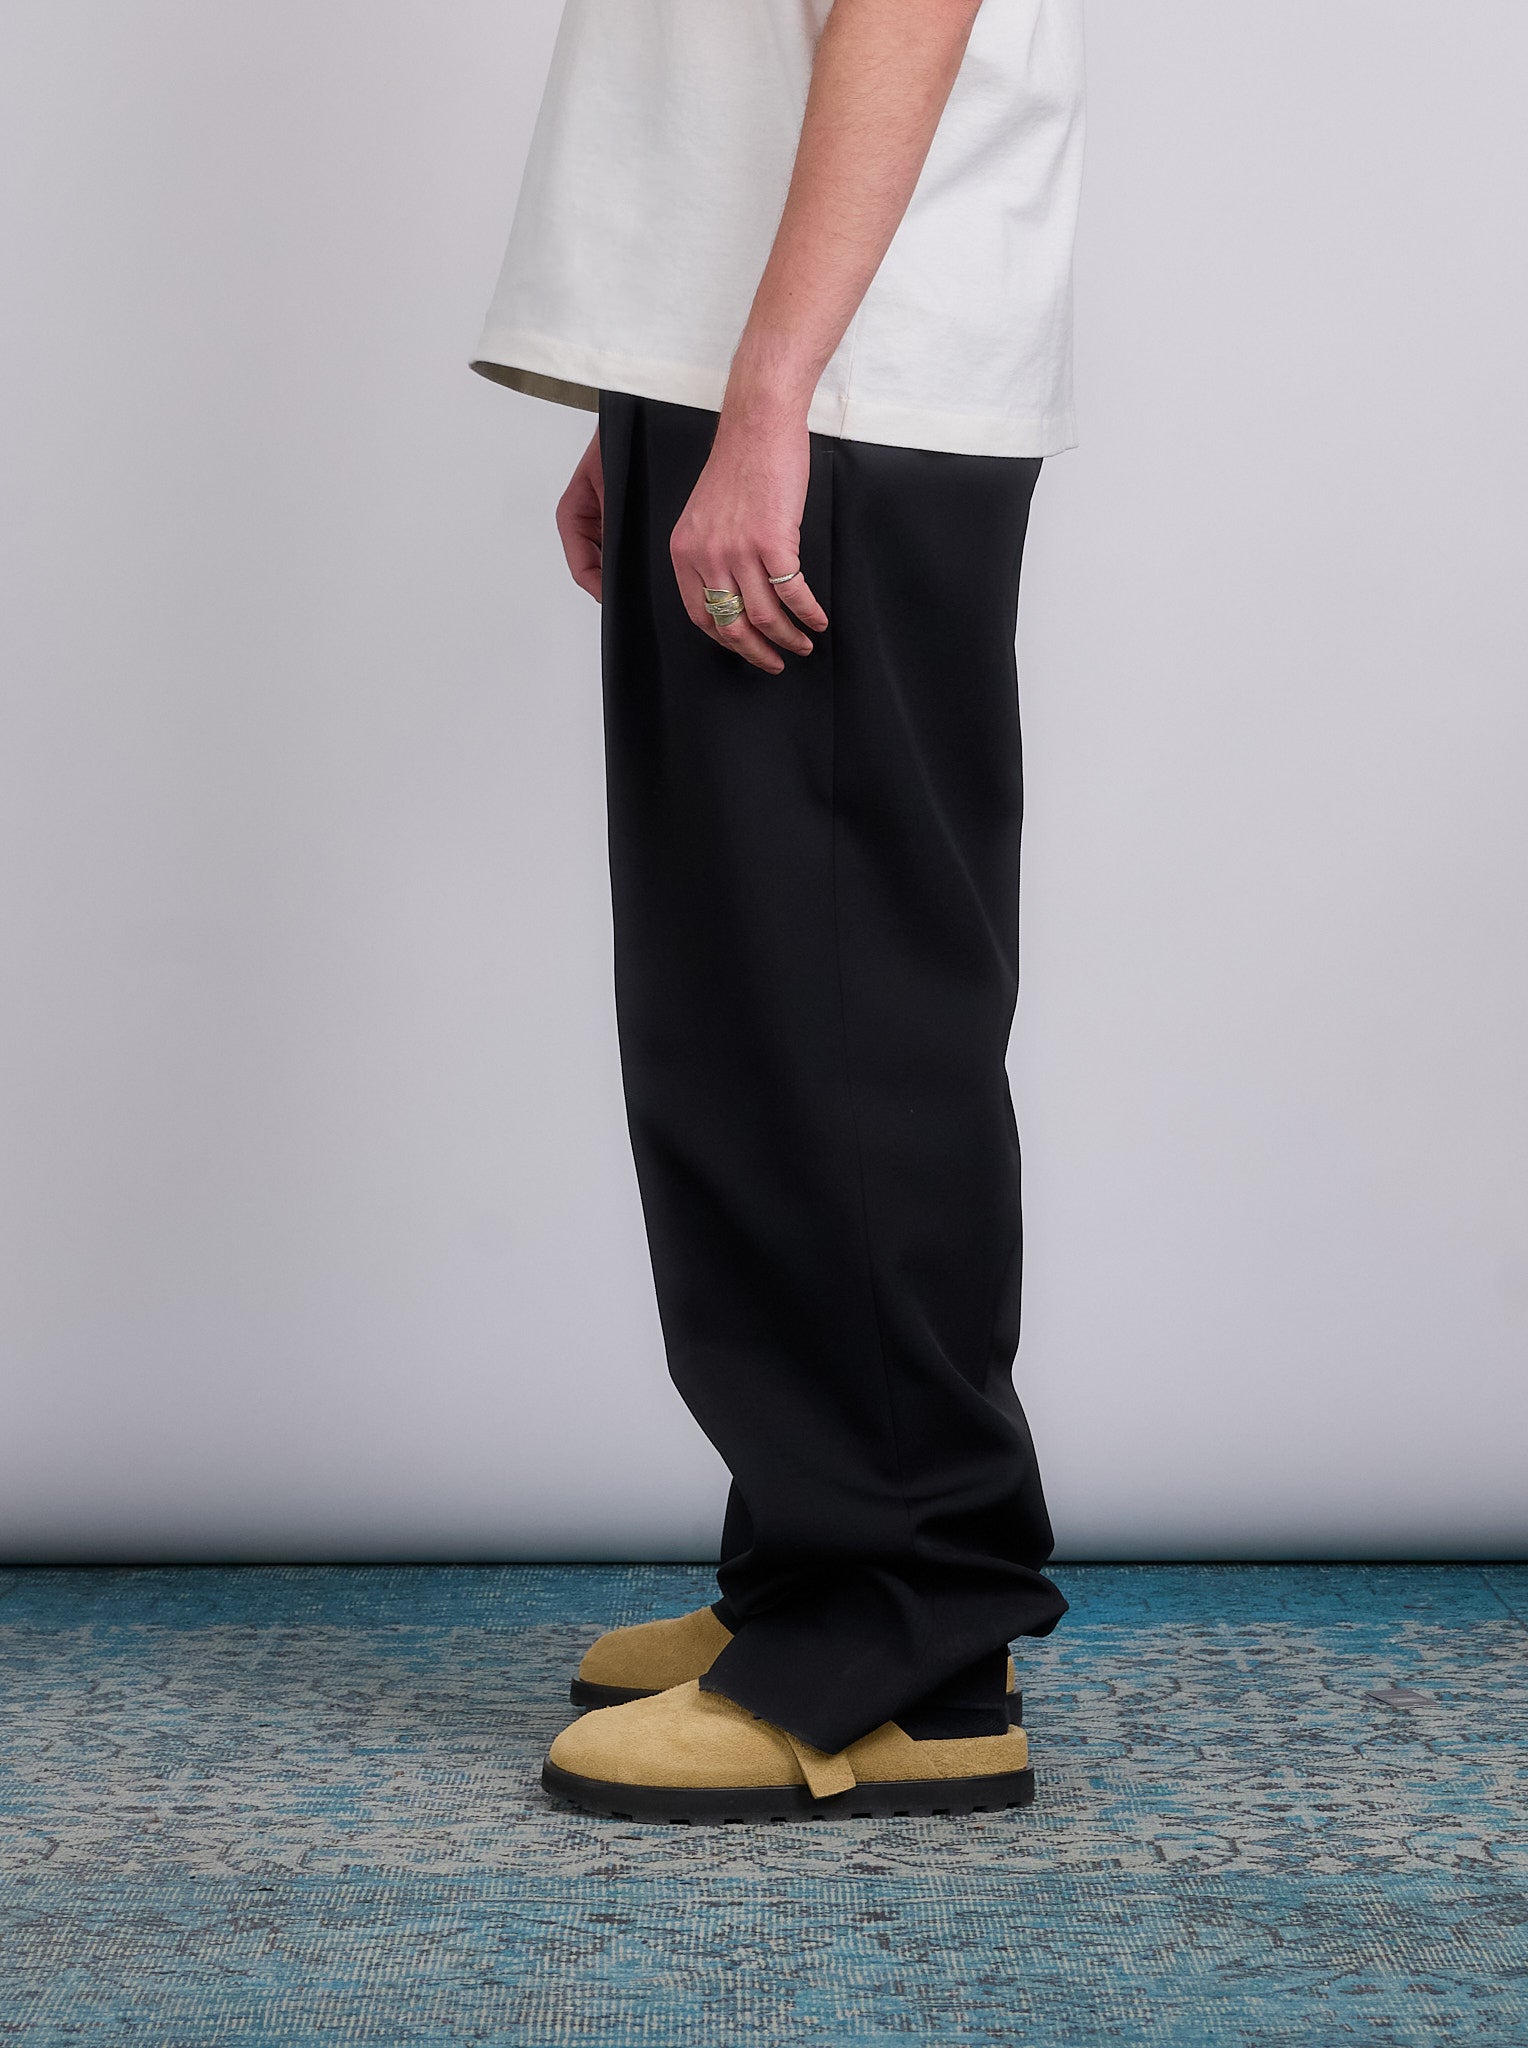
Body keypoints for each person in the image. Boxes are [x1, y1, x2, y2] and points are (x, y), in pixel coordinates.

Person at [470, 0, 1085, 1823]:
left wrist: (766, 403)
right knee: (747, 1018)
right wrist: (662, 396)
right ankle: (818, 1562)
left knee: (839, 1018)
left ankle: (904, 1635)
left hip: (840, 394)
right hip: (774, 377)